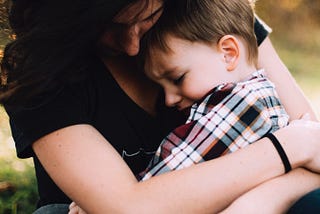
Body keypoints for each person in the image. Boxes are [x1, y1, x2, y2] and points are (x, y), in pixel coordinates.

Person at [0, 0, 319, 213]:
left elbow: (315, 160)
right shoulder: (39, 71)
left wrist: (261, 201)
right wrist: (288, 148)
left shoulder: (213, 20)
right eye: (108, 27)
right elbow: (126, 208)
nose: (131, 46)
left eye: (146, 18)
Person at [138, 0, 290, 180]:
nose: (169, 100)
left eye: (178, 78)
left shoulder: (242, 104)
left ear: (228, 54)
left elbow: (162, 181)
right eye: (161, 87)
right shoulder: (262, 95)